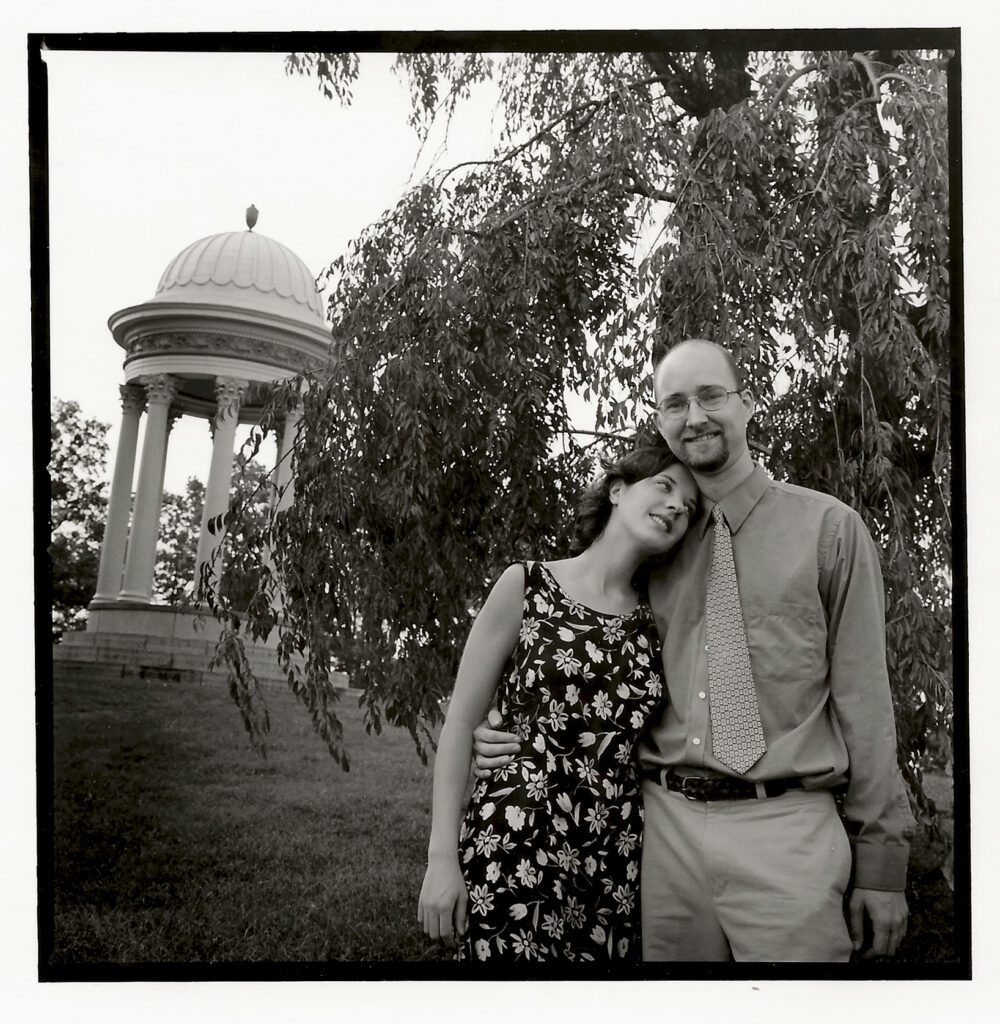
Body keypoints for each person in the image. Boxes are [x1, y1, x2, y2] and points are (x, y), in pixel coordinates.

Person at [474, 339, 914, 963]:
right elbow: (577, 648)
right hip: (663, 831)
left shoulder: (830, 531)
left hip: (786, 829)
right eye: (675, 403)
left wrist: (881, 863)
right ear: (660, 421)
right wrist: (501, 727)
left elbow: (866, 705)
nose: (696, 415)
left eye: (711, 395)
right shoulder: (652, 542)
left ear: (748, 403)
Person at [417, 446, 698, 962]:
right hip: (516, 834)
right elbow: (460, 722)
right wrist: (441, 858)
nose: (678, 505)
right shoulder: (526, 584)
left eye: (690, 504)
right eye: (664, 486)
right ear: (618, 489)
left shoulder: (658, 618)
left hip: (612, 855)